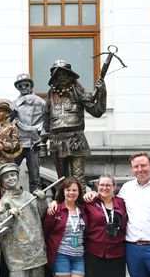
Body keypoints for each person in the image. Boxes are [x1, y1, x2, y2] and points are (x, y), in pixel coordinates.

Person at [43, 59, 106, 187]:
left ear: (69, 75)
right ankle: (63, 205)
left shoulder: (78, 91)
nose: (61, 77)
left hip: (76, 139)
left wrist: (102, 92)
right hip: (57, 141)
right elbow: (46, 118)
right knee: (61, 179)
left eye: (64, 74)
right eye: (58, 75)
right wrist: (42, 139)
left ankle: (81, 205)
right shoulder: (51, 94)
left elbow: (96, 111)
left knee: (78, 177)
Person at [11, 74, 45, 193]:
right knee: (10, 171)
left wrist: (42, 139)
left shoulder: (40, 102)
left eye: (26, 85)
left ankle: (36, 202)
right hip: (18, 143)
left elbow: (47, 121)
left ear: (31, 86)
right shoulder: (14, 103)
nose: (24, 87)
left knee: (34, 176)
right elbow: (8, 123)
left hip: (33, 143)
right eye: (20, 85)